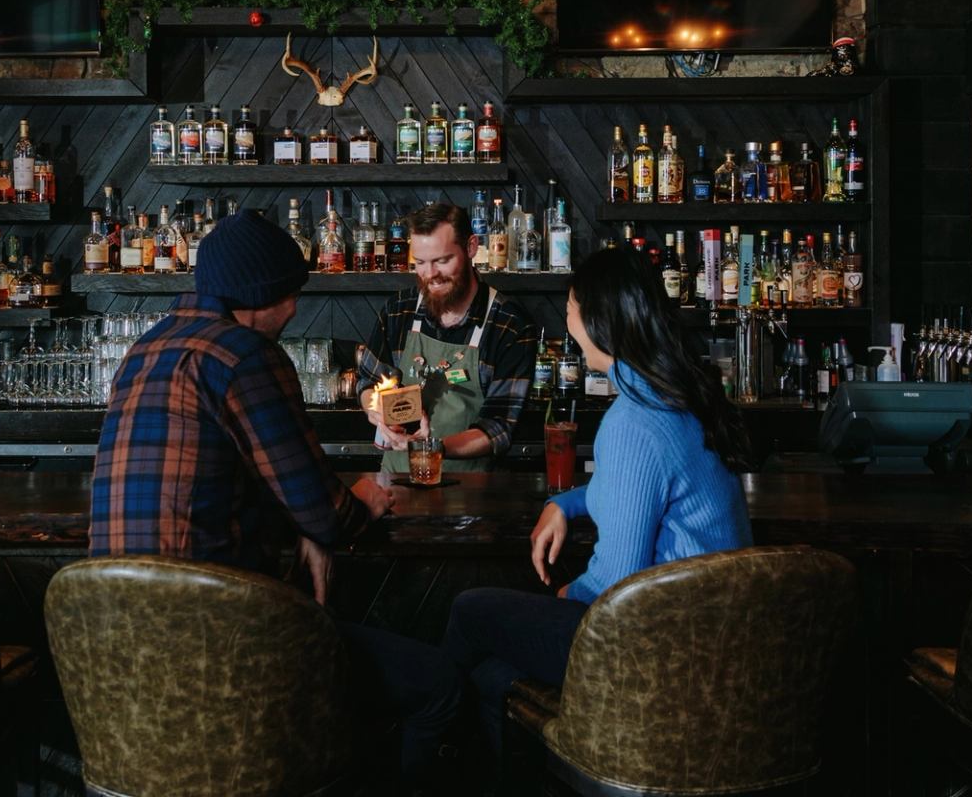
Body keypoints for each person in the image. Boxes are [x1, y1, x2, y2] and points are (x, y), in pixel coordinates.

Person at [89, 209, 459, 784]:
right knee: (437, 683)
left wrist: (302, 527)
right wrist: (351, 504)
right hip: (223, 649)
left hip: (114, 662)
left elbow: (220, 483)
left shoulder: (145, 349)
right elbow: (330, 515)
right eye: (293, 294)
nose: (295, 309)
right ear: (265, 296)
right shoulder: (247, 356)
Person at [439, 246, 754, 757]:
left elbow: (617, 581)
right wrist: (567, 503)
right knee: (493, 675)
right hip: (706, 639)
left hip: (650, 644)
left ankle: (430, 761)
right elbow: (642, 483)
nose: (567, 327)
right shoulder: (674, 396)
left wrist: (565, 596)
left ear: (600, 318)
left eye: (569, 311)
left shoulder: (633, 421)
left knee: (471, 610)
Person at [355, 203, 539, 473]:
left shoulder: (509, 326)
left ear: (471, 247)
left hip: (470, 494)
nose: (430, 275)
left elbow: (498, 428)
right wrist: (376, 411)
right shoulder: (399, 310)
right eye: (420, 263)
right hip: (396, 484)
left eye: (442, 261)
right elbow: (368, 381)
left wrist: (432, 448)